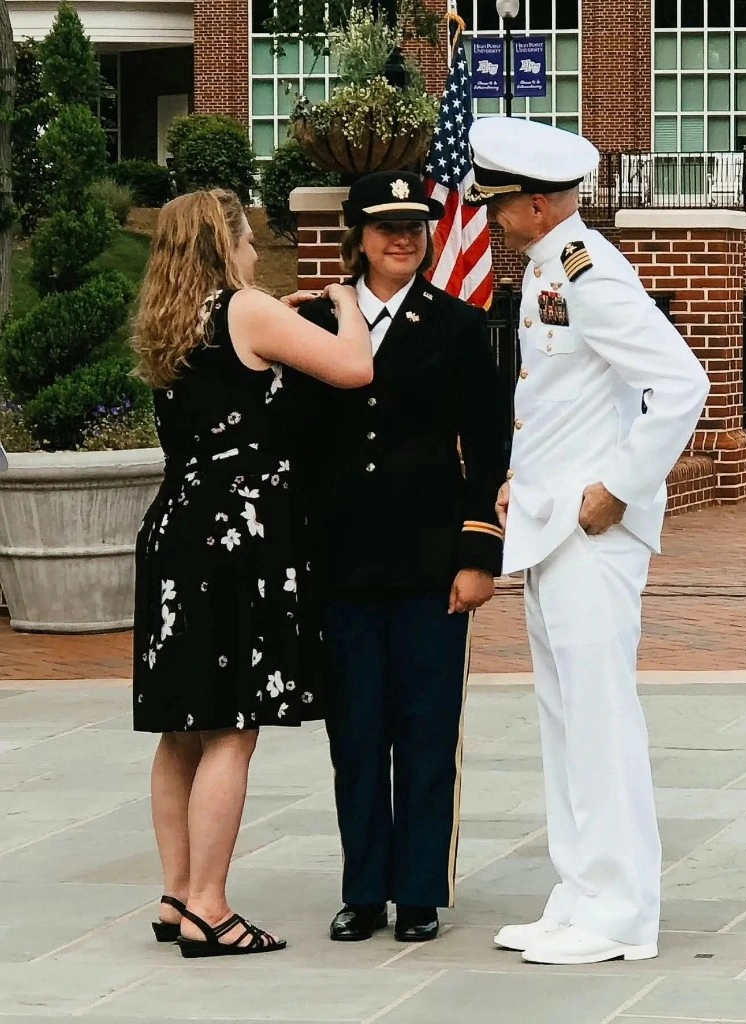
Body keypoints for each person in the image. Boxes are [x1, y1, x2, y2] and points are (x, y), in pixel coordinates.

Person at [464, 118, 710, 966]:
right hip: (552, 519)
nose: (490, 221)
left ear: (536, 206)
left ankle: (619, 913)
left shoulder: (588, 272)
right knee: (565, 718)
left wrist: (619, 488)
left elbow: (680, 383)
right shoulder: (548, 268)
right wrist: (523, 479)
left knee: (598, 720)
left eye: (498, 207)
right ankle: (578, 892)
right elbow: (560, 396)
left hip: (591, 530)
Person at [131, 188, 371, 958]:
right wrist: (342, 300)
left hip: (176, 529)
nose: (251, 247)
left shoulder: (171, 320)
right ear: (225, 239)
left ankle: (176, 895)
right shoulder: (246, 309)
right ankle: (211, 905)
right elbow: (353, 368)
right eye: (246, 235)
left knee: (180, 729)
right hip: (234, 538)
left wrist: (281, 314)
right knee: (232, 725)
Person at [297, 170, 508, 944]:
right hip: (343, 559)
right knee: (354, 731)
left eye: (415, 226)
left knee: (425, 726)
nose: (402, 239)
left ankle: (418, 890)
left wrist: (478, 554)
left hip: (428, 559)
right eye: (386, 225)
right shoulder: (316, 320)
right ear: (356, 233)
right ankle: (363, 889)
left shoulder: (456, 324)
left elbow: (488, 449)